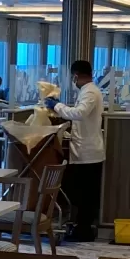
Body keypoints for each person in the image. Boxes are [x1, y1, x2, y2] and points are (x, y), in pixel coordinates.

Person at [46, 59, 105, 243]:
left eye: (73, 77)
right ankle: (81, 226)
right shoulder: (87, 91)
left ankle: (84, 230)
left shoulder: (90, 92)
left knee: (84, 193)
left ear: (76, 76)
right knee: (81, 191)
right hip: (84, 149)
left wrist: (56, 106)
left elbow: (79, 113)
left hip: (89, 152)